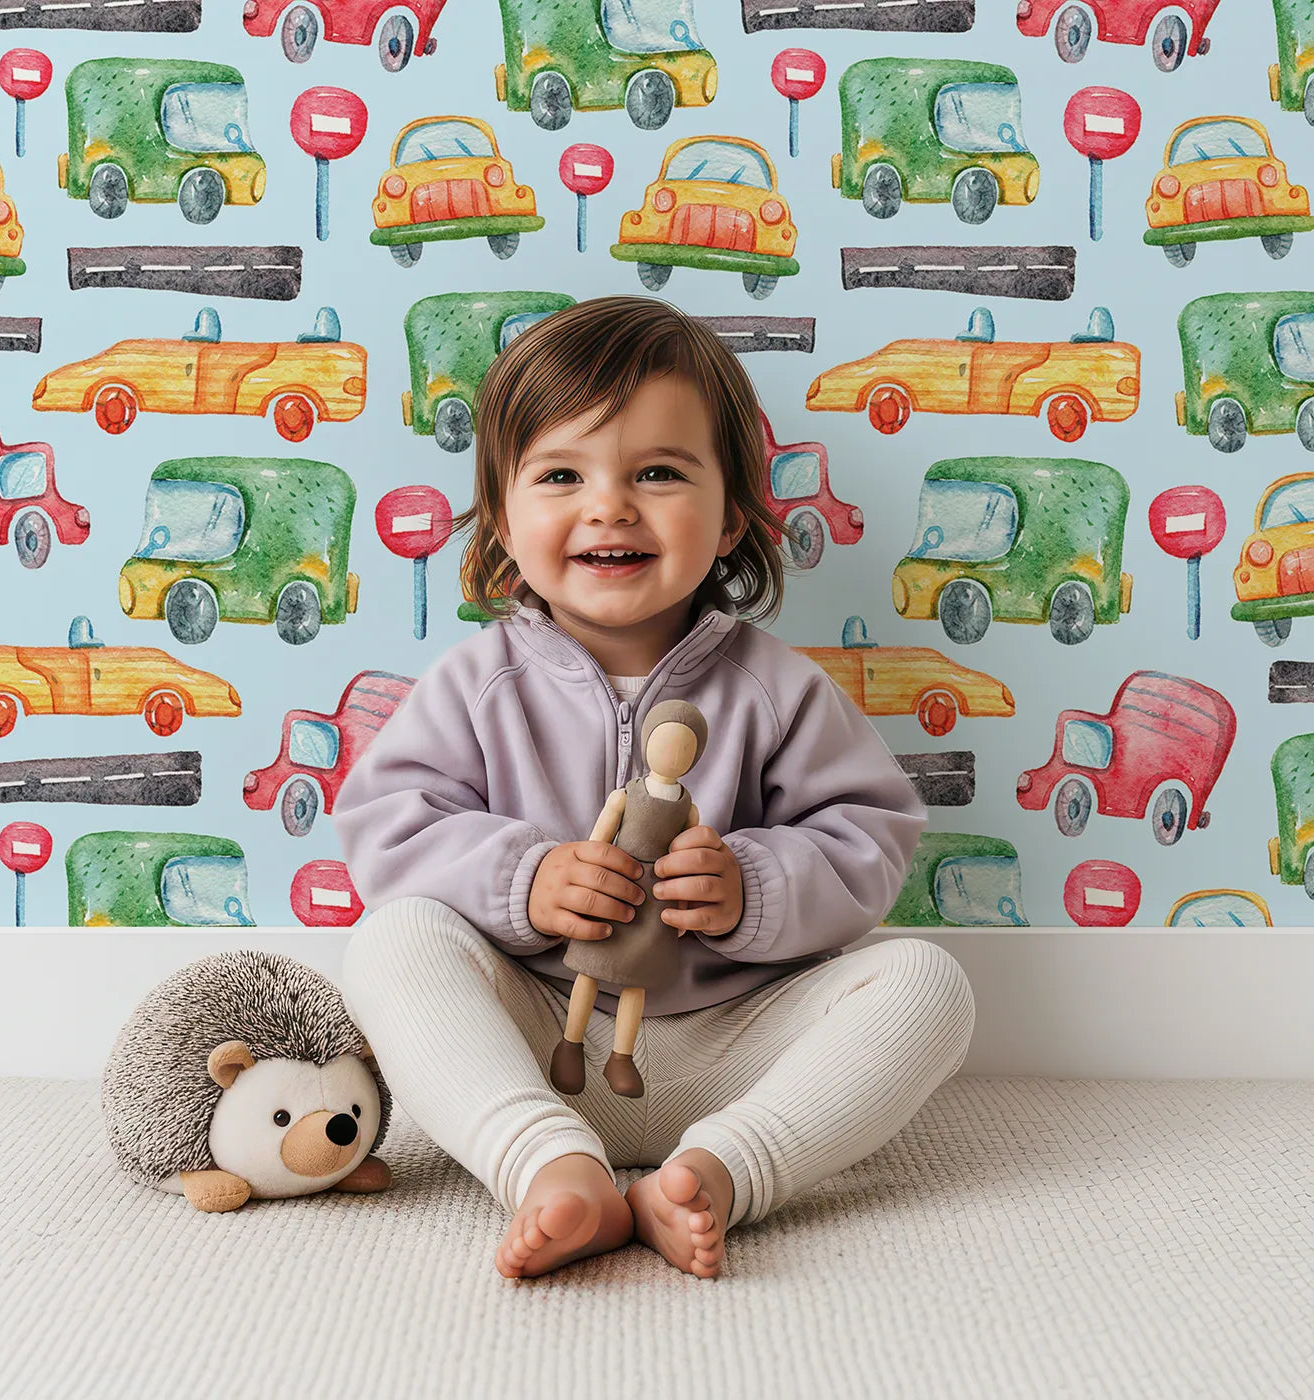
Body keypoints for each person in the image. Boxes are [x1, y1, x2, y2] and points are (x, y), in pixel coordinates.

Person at [335, 295, 974, 1282]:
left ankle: (719, 1171)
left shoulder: (776, 687)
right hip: (545, 1034)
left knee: (927, 983)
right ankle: (548, 1167)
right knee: (391, 942)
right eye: (560, 475)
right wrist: (525, 876)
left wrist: (750, 884)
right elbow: (388, 828)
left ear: (730, 521)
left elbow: (868, 835)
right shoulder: (476, 682)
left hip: (735, 1044)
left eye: (659, 473)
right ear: (505, 520)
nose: (609, 506)